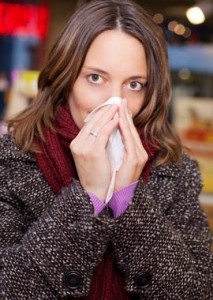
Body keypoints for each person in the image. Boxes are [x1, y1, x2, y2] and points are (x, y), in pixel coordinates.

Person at [0, 0, 212, 299]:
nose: (115, 102)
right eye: (95, 78)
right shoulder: (10, 162)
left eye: (134, 84)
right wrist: (88, 199)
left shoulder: (174, 170)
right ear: (66, 78)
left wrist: (130, 200)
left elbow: (198, 291)